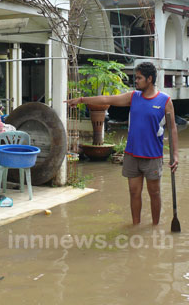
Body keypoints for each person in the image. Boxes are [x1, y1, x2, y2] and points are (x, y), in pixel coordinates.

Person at [66, 62, 179, 225]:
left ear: (149, 79)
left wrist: (175, 154)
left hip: (153, 156)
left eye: (139, 78)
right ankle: (135, 226)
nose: (136, 81)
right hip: (132, 154)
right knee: (134, 193)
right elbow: (107, 99)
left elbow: (173, 128)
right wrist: (82, 99)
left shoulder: (165, 101)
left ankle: (155, 226)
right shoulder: (133, 97)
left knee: (154, 193)